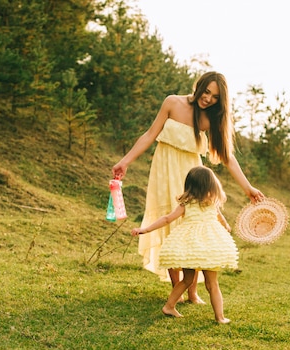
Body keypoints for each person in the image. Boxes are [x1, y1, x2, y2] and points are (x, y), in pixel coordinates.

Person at [112, 71, 263, 303]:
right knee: (170, 227)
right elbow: (150, 134)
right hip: (164, 170)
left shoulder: (209, 118)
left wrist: (248, 188)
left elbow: (227, 157)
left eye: (215, 97)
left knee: (192, 229)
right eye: (207, 92)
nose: (208, 99)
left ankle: (193, 291)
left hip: (192, 175)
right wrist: (125, 161)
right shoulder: (172, 102)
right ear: (199, 86)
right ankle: (178, 290)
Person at [131, 166, 237, 323]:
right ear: (211, 185)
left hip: (190, 247)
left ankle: (169, 306)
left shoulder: (186, 204)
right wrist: (227, 228)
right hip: (208, 248)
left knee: (187, 279)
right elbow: (221, 220)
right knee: (212, 283)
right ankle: (219, 317)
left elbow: (167, 219)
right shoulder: (211, 203)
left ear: (190, 185)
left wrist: (145, 229)